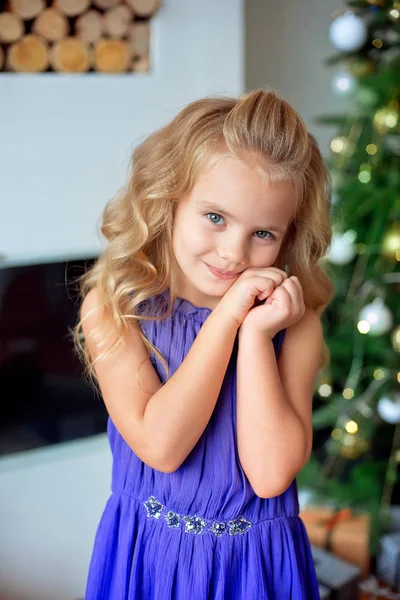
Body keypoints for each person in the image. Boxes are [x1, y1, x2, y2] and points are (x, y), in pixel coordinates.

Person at [73, 88, 334, 599]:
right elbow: (163, 447)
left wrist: (256, 336)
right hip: (152, 559)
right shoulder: (115, 307)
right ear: (168, 200)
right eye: (215, 217)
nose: (234, 252)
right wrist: (229, 316)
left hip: (257, 568)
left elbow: (270, 475)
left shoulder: (293, 324)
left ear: (289, 234)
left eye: (264, 233)